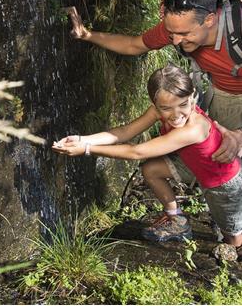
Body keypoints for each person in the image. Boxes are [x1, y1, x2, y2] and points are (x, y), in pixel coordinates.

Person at [52, 64, 242, 245]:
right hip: (195, 166)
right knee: (151, 170)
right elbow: (126, 132)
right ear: (155, 104)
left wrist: (87, 149)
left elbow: (137, 151)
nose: (176, 114)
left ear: (192, 96)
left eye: (183, 105)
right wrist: (82, 139)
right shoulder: (159, 110)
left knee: (232, 236)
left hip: (222, 181)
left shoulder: (193, 128)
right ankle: (177, 221)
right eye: (166, 108)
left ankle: (231, 257)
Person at [66, 0, 242, 165]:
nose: (176, 41)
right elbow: (133, 45)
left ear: (209, 20)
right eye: (172, 33)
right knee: (223, 157)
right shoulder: (177, 27)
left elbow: (137, 152)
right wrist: (86, 35)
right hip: (224, 94)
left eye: (183, 34)